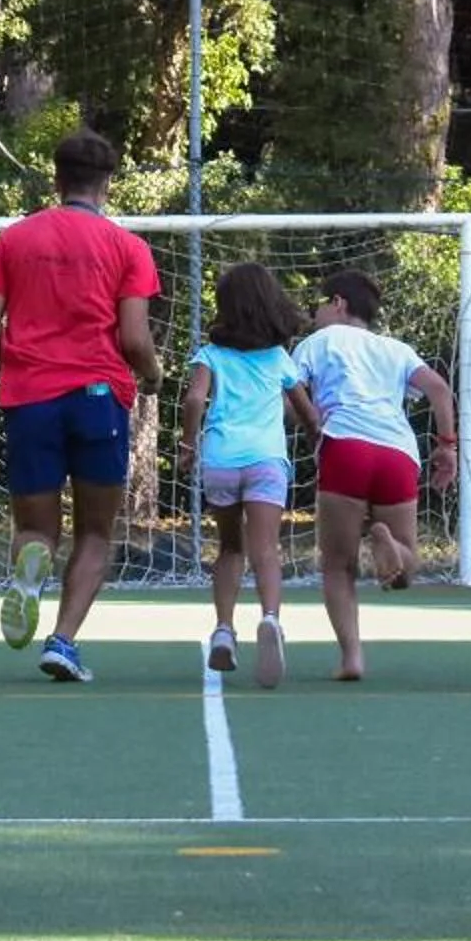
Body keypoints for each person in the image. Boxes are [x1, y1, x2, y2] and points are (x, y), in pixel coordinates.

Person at [0, 130, 162, 685]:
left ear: (56, 179)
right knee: (96, 532)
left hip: (31, 398)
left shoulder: (14, 239)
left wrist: (16, 365)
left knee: (36, 527)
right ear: (107, 183)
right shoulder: (127, 247)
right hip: (98, 398)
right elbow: (134, 338)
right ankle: (63, 641)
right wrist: (152, 376)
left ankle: (30, 573)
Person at [293, 270, 458, 683]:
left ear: (338, 303)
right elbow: (439, 390)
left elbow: (289, 397)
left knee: (337, 565)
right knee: (406, 567)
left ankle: (352, 657)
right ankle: (388, 542)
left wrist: (310, 421)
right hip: (397, 454)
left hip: (345, 447)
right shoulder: (396, 349)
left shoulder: (318, 343)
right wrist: (447, 446)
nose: (315, 314)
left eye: (319, 304)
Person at [177, 262, 314, 690]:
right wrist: (317, 437)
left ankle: (224, 628)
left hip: (221, 460)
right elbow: (306, 411)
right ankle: (270, 619)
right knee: (266, 549)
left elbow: (195, 399)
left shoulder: (211, 355)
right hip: (266, 460)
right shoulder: (278, 358)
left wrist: (187, 444)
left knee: (230, 547)